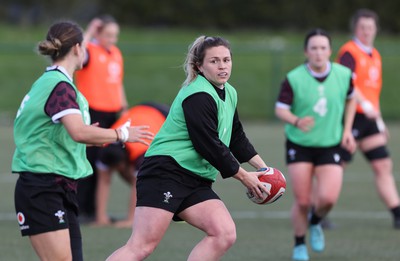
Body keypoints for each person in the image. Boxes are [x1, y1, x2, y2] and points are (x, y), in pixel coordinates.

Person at [106, 35, 272, 261]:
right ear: (199, 66)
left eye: (226, 60)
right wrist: (246, 177)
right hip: (166, 173)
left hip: (195, 178)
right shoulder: (198, 95)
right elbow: (210, 146)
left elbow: (237, 137)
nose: (222, 65)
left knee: (223, 233)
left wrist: (265, 171)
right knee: (141, 247)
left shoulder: (229, 92)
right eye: (214, 61)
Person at [12, 21, 154, 261]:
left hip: (59, 185)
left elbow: (66, 134)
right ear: (78, 48)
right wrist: (122, 134)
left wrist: (94, 137)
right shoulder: (59, 86)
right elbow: (78, 132)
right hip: (42, 185)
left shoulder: (55, 83)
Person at [275, 29, 356, 261]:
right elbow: (280, 109)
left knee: (328, 199)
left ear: (330, 51)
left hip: (331, 144)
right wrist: (296, 121)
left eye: (323, 48)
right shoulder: (294, 78)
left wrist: (347, 130)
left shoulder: (344, 74)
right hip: (300, 144)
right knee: (303, 200)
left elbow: (352, 98)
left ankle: (316, 221)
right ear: (306, 51)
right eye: (314, 48)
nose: (318, 53)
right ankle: (299, 244)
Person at [337, 8, 400, 230]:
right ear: (355, 28)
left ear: (376, 30)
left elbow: (373, 93)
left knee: (383, 164)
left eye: (370, 28)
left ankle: (397, 212)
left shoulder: (375, 55)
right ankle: (317, 212)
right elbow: (348, 83)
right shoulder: (349, 52)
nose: (366, 31)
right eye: (362, 27)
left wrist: (380, 122)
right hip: (350, 119)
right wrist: (364, 105)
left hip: (369, 122)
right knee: (336, 167)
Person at [74, 15, 127, 220]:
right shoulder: (90, 52)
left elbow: (117, 82)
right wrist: (88, 31)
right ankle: (81, 209)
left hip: (112, 114)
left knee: (104, 164)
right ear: (98, 34)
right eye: (107, 35)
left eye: (115, 35)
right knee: (89, 161)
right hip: (94, 113)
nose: (112, 39)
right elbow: (77, 54)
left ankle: (97, 210)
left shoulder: (115, 53)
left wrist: (123, 107)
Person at [94, 102, 169, 228]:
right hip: (139, 111)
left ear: (125, 161)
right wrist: (101, 217)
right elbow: (103, 180)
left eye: (118, 168)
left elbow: (138, 184)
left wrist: (130, 219)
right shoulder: (105, 147)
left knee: (155, 176)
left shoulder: (141, 151)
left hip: (162, 115)